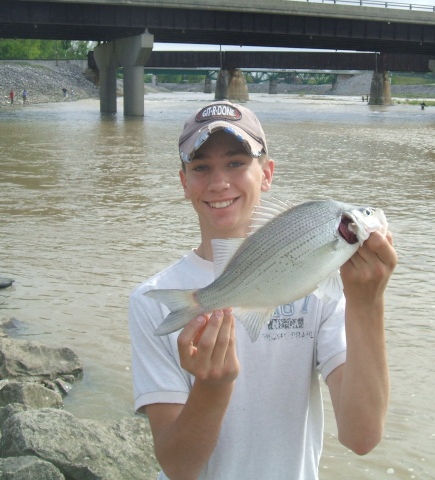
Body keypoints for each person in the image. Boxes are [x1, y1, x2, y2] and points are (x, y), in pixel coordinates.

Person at [128, 100, 398, 480]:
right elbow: (177, 467)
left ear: (267, 174)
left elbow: (362, 436)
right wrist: (212, 388)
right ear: (184, 181)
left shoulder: (323, 285)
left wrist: (368, 304)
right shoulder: (150, 301)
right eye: (201, 166)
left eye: (236, 163)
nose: (219, 182)